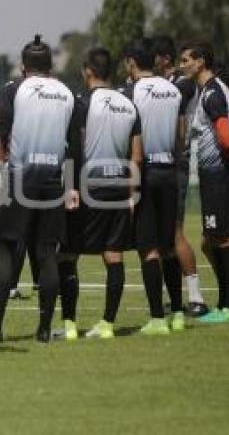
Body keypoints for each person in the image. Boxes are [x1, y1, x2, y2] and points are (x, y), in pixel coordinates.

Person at [0, 35, 78, 344]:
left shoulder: (14, 89)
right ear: (50, 66)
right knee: (46, 254)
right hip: (53, 181)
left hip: (18, 178)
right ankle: (44, 330)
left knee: (5, 251)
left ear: (23, 66)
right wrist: (70, 186)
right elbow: (75, 146)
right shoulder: (68, 94)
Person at [58, 48, 142, 340]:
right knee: (114, 255)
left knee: (68, 255)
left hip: (87, 187)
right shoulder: (129, 104)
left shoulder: (81, 104)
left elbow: (73, 149)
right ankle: (107, 324)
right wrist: (131, 195)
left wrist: (70, 187)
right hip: (119, 186)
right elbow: (137, 155)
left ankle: (69, 325)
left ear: (87, 71)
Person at [119, 39, 185, 335]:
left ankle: (158, 317)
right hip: (170, 169)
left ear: (132, 62)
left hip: (145, 172)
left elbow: (130, 139)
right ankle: (179, 314)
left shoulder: (131, 92)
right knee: (169, 245)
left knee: (148, 248)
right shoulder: (174, 89)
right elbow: (181, 135)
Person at [179, 41, 229, 323]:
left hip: (218, 177)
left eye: (186, 61)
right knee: (214, 240)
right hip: (215, 176)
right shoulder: (210, 90)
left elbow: (226, 137)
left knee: (226, 240)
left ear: (201, 61)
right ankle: (226, 305)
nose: (182, 66)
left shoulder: (213, 93)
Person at [152, 36, 209, 316]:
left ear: (163, 59)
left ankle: (196, 298)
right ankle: (177, 299)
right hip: (167, 163)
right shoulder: (169, 84)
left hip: (176, 162)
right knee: (163, 236)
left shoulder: (181, 84)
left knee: (174, 232)